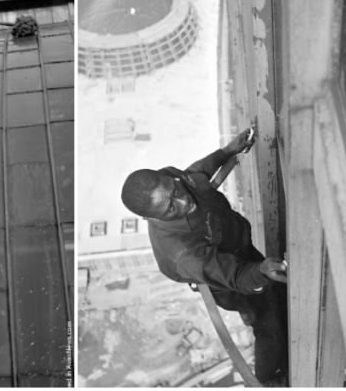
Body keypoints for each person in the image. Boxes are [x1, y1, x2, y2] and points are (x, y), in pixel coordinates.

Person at [120, 129, 289, 384]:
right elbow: (235, 276)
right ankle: (267, 380)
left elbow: (194, 174)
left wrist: (228, 150)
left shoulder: (169, 181)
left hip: (238, 246)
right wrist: (261, 272)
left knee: (272, 291)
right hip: (226, 280)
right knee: (270, 327)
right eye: (170, 207)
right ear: (151, 217)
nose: (184, 200)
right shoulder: (181, 252)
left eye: (175, 190)